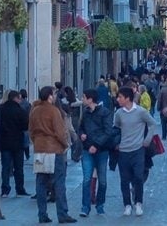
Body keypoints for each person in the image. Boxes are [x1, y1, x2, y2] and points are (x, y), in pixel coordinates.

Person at [29, 86, 77, 224]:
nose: (55, 96)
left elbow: (31, 130)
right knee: (59, 182)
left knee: (41, 182)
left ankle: (42, 214)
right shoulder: (53, 111)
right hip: (54, 149)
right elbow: (60, 132)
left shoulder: (35, 111)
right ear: (50, 96)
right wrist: (65, 144)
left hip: (39, 148)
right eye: (54, 94)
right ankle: (62, 214)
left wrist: (37, 142)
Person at [114, 86, 157, 216]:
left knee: (138, 177)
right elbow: (115, 129)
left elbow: (153, 124)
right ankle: (127, 204)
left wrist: (147, 140)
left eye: (120, 97)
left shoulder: (141, 111)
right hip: (123, 151)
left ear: (127, 98)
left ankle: (138, 203)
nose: (118, 99)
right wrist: (116, 143)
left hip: (138, 150)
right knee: (124, 179)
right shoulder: (118, 113)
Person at [78, 89, 114, 217]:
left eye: (83, 97)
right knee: (87, 179)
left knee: (102, 180)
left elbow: (108, 131)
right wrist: (81, 134)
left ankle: (100, 204)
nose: (82, 99)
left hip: (102, 151)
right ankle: (85, 207)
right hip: (87, 150)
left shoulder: (105, 112)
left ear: (90, 99)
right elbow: (80, 127)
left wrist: (97, 145)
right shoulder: (86, 113)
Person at [0, 90, 30, 197]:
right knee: (18, 167)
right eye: (19, 98)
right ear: (16, 98)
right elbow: (25, 126)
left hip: (4, 143)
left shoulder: (1, 109)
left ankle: (5, 189)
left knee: (6, 167)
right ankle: (19, 189)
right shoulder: (20, 110)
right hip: (17, 142)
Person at [19, 89, 32, 160]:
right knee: (26, 141)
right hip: (26, 125)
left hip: (19, 124)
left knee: (22, 141)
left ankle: (22, 154)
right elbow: (30, 114)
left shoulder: (19, 103)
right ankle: (27, 155)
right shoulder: (28, 104)